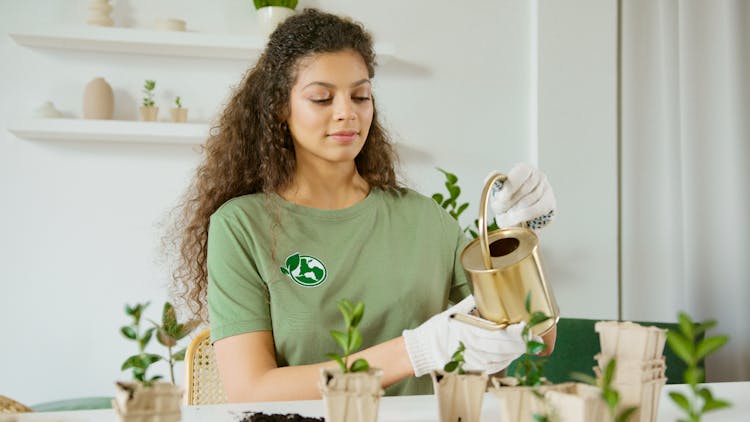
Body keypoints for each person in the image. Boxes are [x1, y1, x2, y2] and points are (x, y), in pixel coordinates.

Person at [171, 8, 557, 402]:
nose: (347, 113)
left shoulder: (425, 220)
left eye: (360, 96)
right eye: (321, 98)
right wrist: (414, 352)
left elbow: (539, 337)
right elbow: (251, 389)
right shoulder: (242, 226)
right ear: (280, 109)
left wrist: (518, 238)